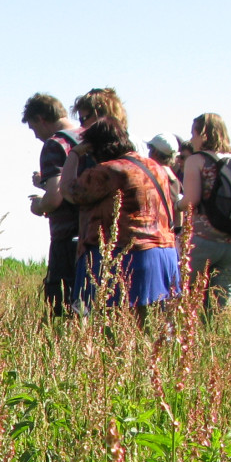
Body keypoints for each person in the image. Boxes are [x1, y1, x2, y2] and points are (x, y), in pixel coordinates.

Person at [63, 117, 181, 318]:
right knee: (156, 332)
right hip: (164, 255)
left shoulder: (110, 170)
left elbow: (68, 191)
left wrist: (74, 154)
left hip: (127, 256)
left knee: (115, 333)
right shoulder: (155, 167)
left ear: (95, 147)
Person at [59, 89, 130, 306]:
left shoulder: (105, 159)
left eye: (84, 118)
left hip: (107, 246)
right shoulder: (134, 148)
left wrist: (74, 155)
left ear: (102, 113)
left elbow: (71, 193)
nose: (81, 126)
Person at [178, 112, 231, 309]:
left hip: (203, 239)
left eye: (194, 133)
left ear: (204, 135)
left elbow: (192, 200)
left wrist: (176, 204)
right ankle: (213, 339)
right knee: (218, 309)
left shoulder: (197, 160)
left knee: (185, 303)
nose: (191, 139)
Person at [22, 93, 79, 316]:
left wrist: (38, 206)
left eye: (34, 128)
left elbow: (55, 199)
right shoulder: (89, 138)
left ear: (41, 119)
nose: (36, 136)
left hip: (67, 239)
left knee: (64, 309)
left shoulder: (56, 145)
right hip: (97, 237)